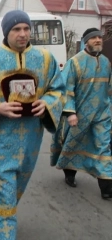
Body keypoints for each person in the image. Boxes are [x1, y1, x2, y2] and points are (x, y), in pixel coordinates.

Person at [0, 10, 65, 239]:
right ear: (6, 32)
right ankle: (3, 230)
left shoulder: (45, 59)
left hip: (31, 140)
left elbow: (58, 90)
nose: (23, 34)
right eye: (17, 29)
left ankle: (0, 216)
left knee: (14, 191)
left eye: (26, 29)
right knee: (3, 192)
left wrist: (47, 104)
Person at [51, 27, 112, 199]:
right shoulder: (75, 62)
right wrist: (70, 113)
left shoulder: (106, 62)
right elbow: (66, 89)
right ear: (86, 41)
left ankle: (107, 188)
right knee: (73, 144)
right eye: (94, 38)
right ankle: (69, 174)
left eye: (100, 37)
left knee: (103, 147)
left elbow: (109, 88)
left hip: (102, 115)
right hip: (79, 114)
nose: (98, 40)